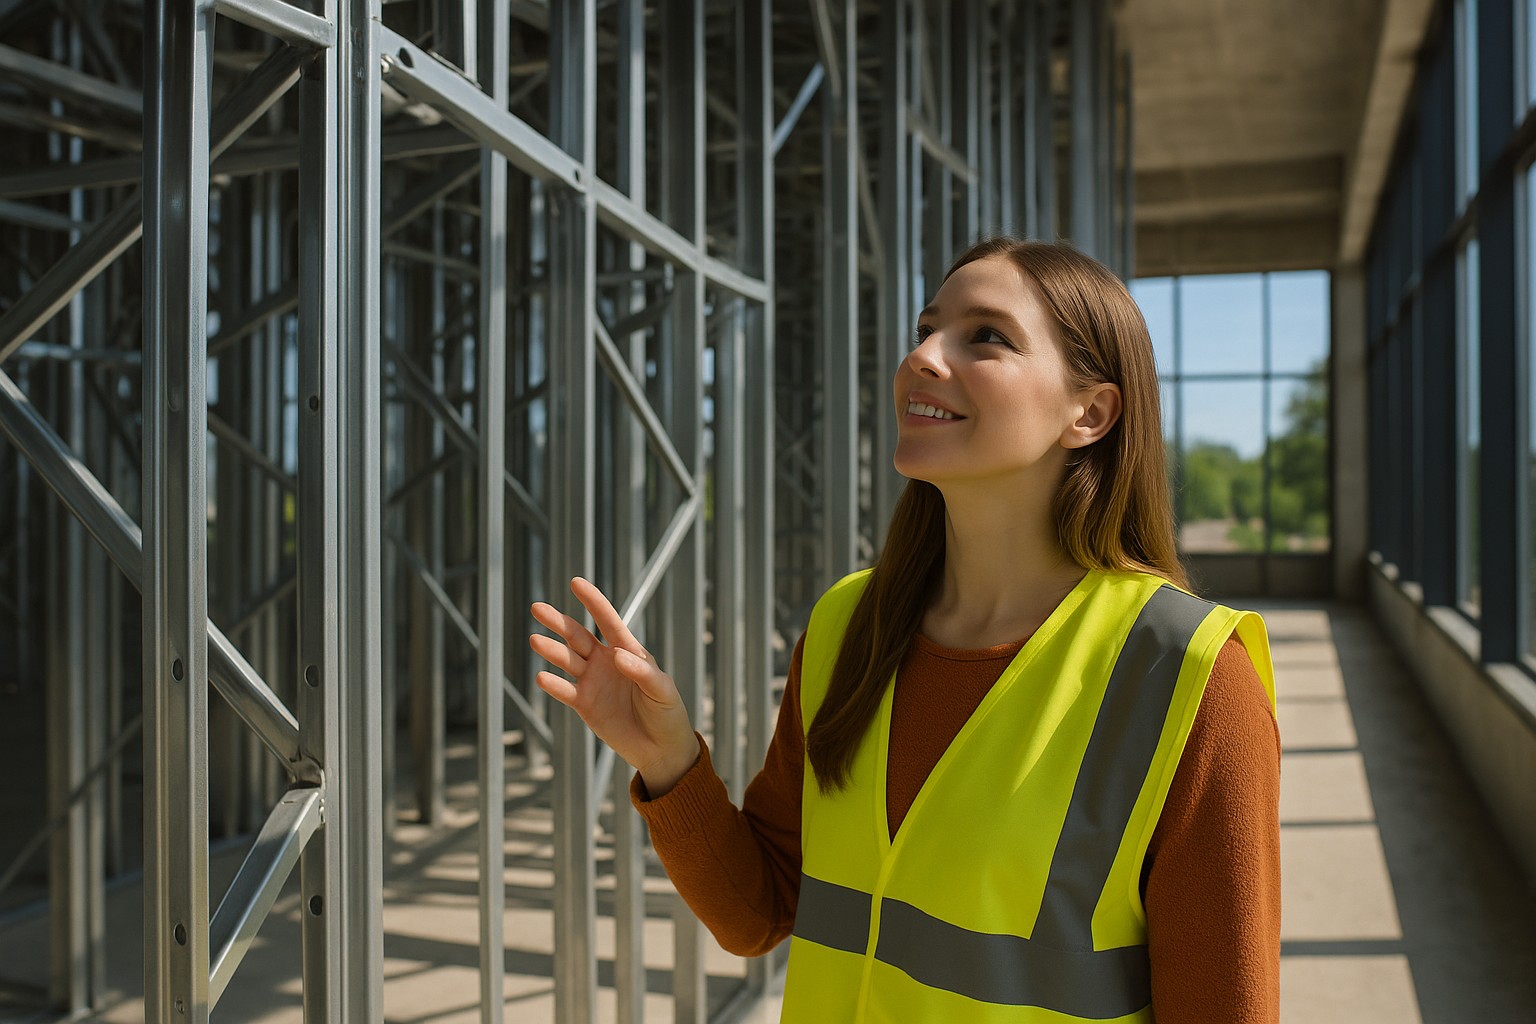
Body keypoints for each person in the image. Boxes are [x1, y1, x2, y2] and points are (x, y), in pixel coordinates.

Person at [529, 237, 1281, 1023]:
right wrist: (667, 756)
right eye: (926, 329)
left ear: (1088, 413)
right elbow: (760, 913)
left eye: (985, 336)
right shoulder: (849, 625)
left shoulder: (1188, 680)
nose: (922, 355)